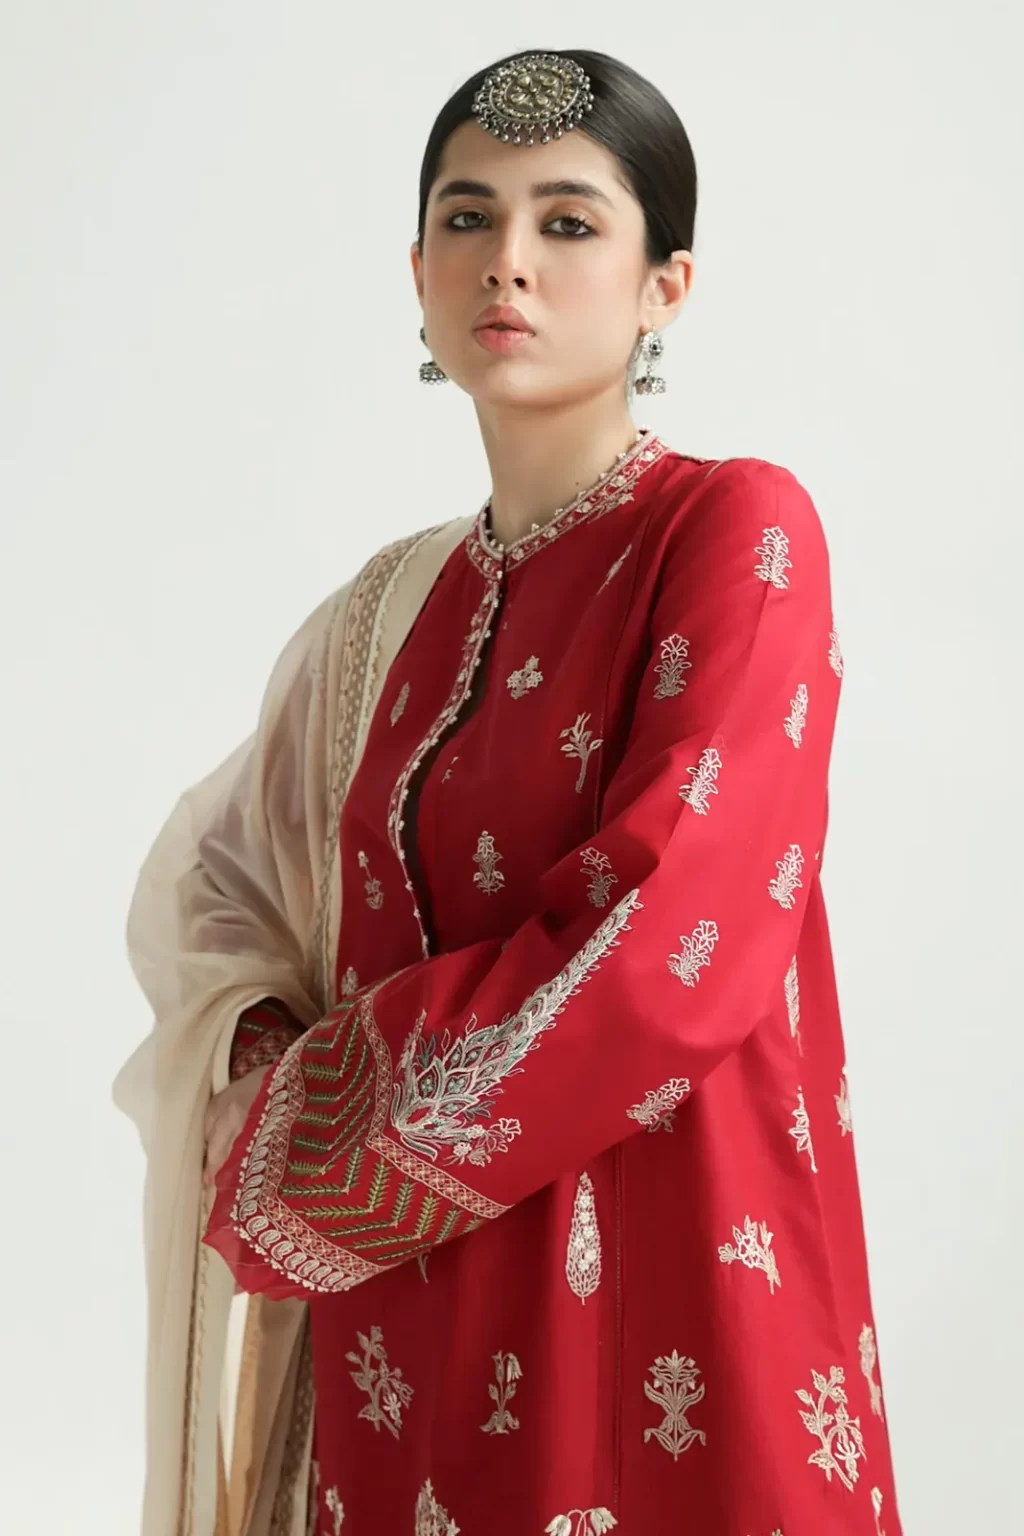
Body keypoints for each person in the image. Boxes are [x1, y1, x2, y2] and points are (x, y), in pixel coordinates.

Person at [117, 48, 902, 1536]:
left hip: (669, 1271)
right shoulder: (381, 616)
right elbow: (228, 901)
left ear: (666, 285)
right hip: (406, 1310)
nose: (510, 263)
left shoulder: (736, 528)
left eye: (569, 222)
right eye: (468, 219)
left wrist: (313, 1146)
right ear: (417, 273)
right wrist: (268, 1061)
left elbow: (672, 943)